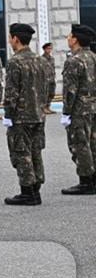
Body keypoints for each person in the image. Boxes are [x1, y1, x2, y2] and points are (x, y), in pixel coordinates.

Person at [3, 23, 49, 206]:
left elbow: (12, 92)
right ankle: (36, 188)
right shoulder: (40, 59)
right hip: (38, 114)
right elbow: (48, 86)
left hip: (21, 116)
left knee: (22, 153)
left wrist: (8, 114)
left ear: (15, 38)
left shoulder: (15, 61)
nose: (10, 41)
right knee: (36, 151)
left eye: (10, 37)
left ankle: (27, 191)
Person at [61, 25, 96, 195]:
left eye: (70, 35)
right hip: (93, 106)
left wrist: (66, 112)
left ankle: (85, 181)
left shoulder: (74, 61)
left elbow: (70, 90)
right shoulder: (93, 57)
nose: (68, 38)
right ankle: (93, 178)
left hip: (80, 109)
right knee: (93, 143)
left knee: (80, 144)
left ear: (75, 39)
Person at [42, 41, 57, 114]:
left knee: (51, 93)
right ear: (44, 49)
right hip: (45, 80)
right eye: (48, 48)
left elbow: (53, 68)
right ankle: (44, 107)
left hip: (51, 79)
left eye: (50, 48)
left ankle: (48, 106)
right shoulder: (41, 59)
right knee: (45, 94)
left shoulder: (52, 59)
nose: (49, 50)